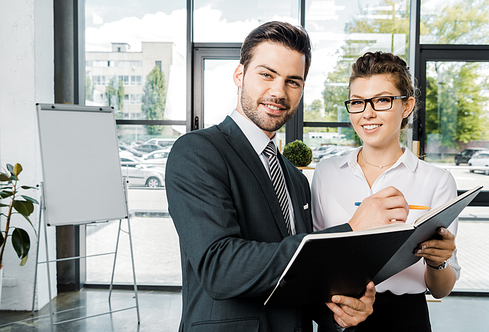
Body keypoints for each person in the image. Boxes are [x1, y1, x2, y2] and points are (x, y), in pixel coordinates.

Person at [166, 22, 410, 332]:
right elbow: (220, 266)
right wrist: (350, 230)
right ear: (240, 75)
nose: (278, 92)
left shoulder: (295, 179)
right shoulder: (198, 151)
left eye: (293, 81)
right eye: (266, 75)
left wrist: (340, 312)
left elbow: (298, 279)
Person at [311, 51, 460, 332]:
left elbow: (441, 290)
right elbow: (317, 261)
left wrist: (438, 263)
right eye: (357, 102)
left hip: (405, 319)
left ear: (406, 106)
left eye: (382, 100)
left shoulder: (437, 181)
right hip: (339, 317)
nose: (367, 113)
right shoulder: (326, 172)